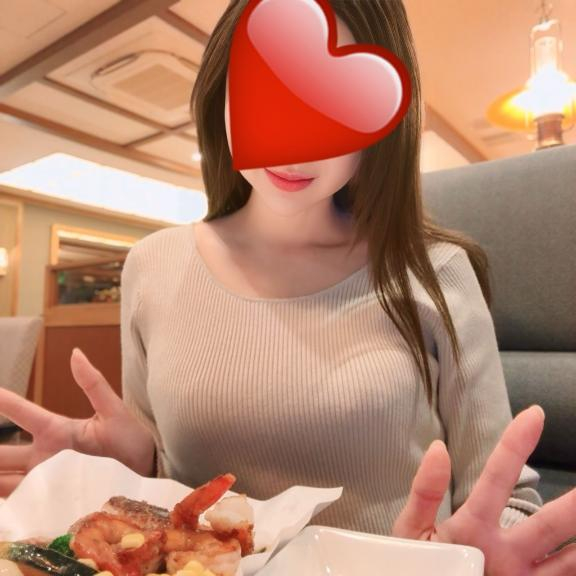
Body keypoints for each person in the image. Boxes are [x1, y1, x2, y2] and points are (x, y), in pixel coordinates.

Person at [0, 1, 574, 574]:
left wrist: (476, 557)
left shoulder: (435, 272)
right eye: (271, 87)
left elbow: (505, 501)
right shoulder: (153, 265)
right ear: (223, 90)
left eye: (336, 103)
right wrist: (131, 465)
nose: (297, 140)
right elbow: (165, 493)